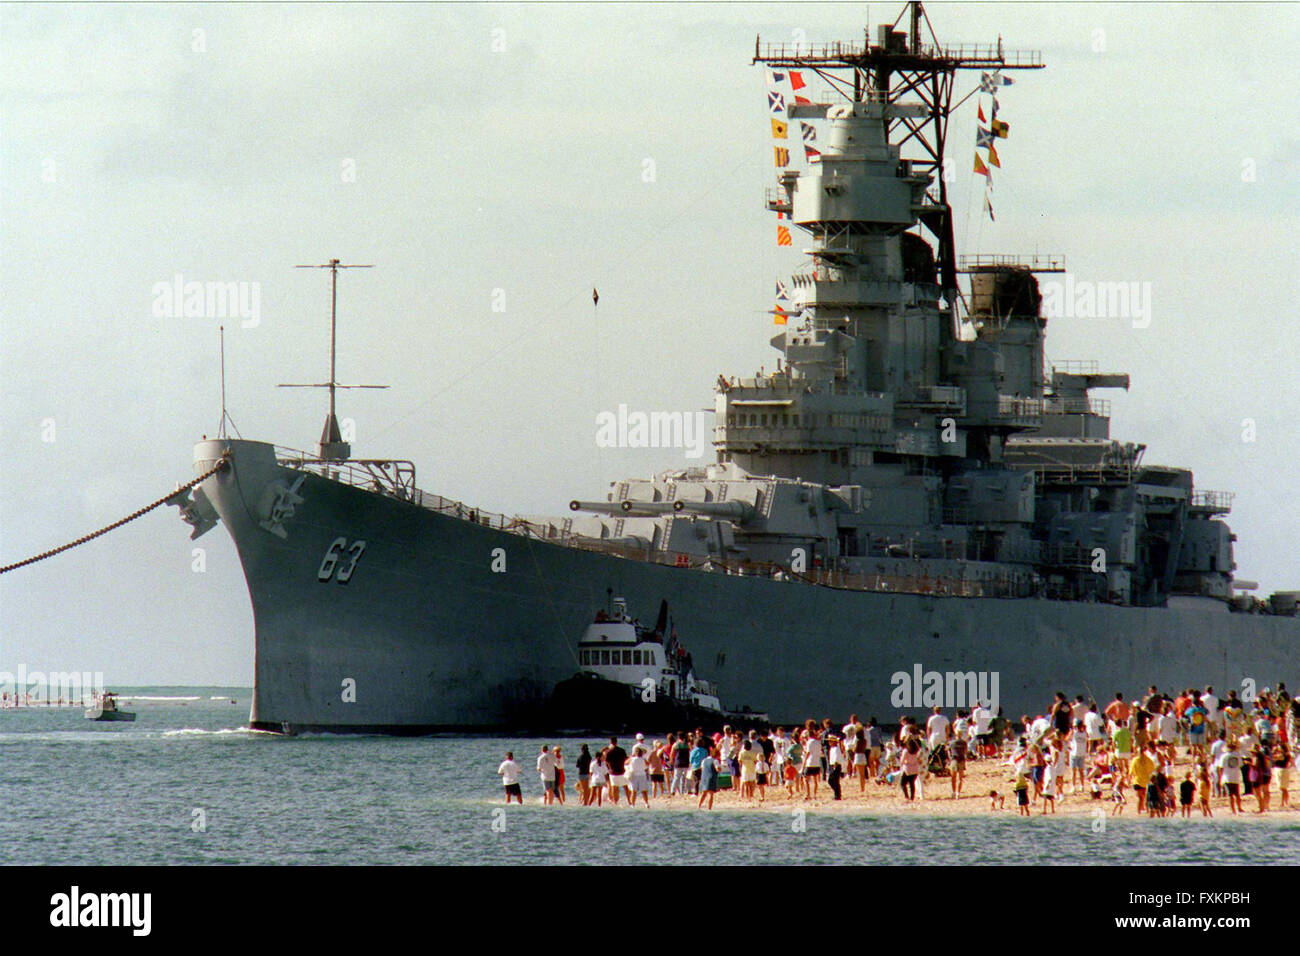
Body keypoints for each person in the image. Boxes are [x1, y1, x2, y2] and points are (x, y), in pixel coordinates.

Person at [606, 737, 629, 804]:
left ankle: (615, 802)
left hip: (613, 772)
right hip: (622, 771)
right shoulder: (622, 750)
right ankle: (629, 801)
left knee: (614, 788)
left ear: (611, 742)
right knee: (625, 787)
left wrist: (610, 768)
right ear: (616, 742)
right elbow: (625, 760)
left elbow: (607, 762)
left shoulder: (609, 751)